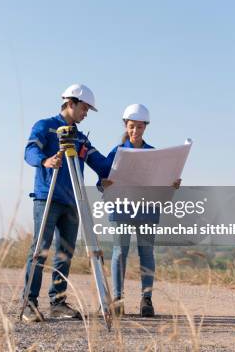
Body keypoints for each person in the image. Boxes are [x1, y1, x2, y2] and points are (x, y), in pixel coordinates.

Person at [21, 84, 108, 323]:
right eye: (84, 108)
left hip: (73, 201)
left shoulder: (79, 138)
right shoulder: (45, 126)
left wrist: (116, 169)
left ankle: (57, 303)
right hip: (47, 197)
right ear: (71, 103)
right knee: (40, 251)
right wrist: (45, 160)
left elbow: (100, 162)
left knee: (65, 254)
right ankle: (29, 303)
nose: (86, 113)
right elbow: (29, 151)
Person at [100, 104, 181, 317]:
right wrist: (104, 184)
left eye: (140, 127)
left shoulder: (154, 155)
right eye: (132, 126)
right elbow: (102, 181)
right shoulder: (116, 153)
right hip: (121, 209)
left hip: (147, 209)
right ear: (126, 126)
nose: (136, 131)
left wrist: (171, 185)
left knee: (146, 253)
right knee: (120, 252)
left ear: (146, 127)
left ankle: (146, 300)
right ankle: (118, 299)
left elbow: (162, 190)